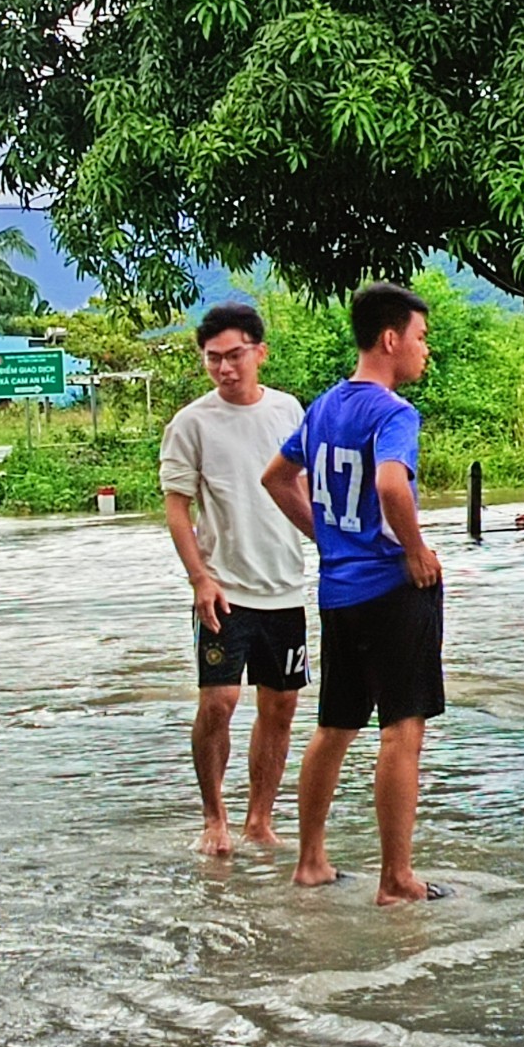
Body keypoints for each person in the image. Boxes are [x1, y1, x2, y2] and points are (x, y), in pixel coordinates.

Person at [262, 282, 446, 905]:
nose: (425, 349)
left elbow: (276, 478)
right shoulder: (394, 413)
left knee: (335, 725)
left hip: (339, 591)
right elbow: (393, 485)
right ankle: (396, 878)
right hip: (392, 588)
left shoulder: (322, 409)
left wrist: (327, 537)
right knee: (402, 729)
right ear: (391, 340)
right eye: (420, 338)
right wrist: (415, 550)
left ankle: (310, 859)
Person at [159, 300, 308, 856]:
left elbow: (306, 490)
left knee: (281, 706)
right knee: (218, 702)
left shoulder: (290, 412)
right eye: (213, 358)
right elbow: (177, 508)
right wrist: (199, 577)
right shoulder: (191, 423)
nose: (225, 368)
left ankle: (259, 820)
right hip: (224, 587)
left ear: (260, 353)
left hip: (285, 585)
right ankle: (214, 817)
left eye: (235, 355)